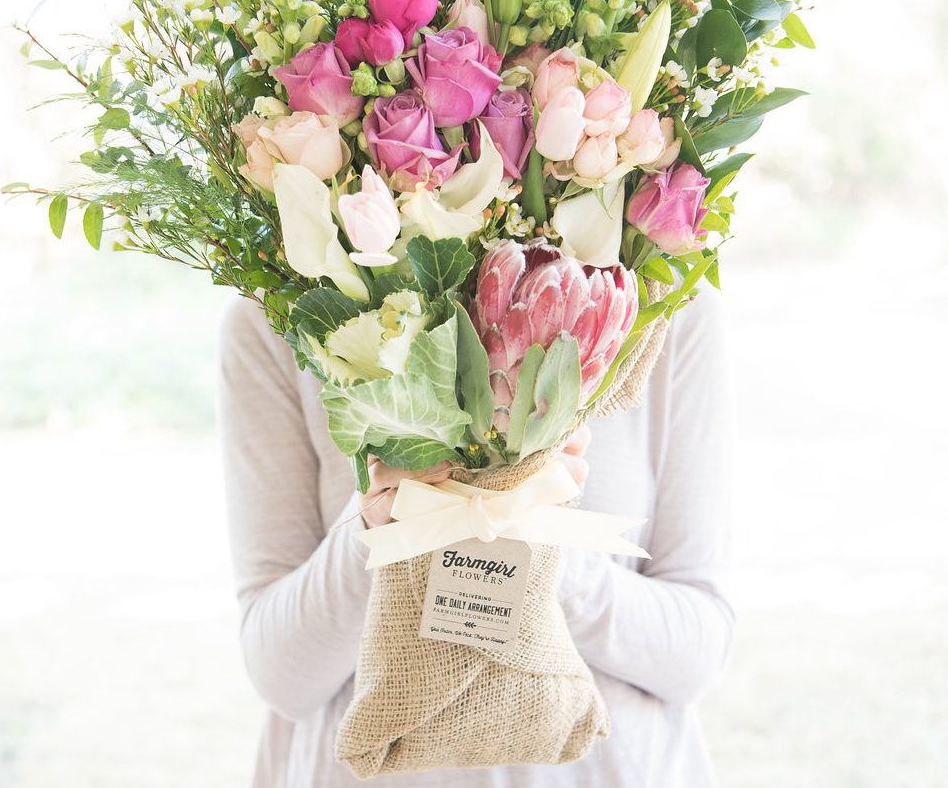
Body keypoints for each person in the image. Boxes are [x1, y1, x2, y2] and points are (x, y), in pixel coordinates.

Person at [216, 287, 734, 788]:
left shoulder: (668, 304)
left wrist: (526, 533)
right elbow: (280, 676)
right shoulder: (278, 312)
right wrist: (380, 530)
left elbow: (694, 656)